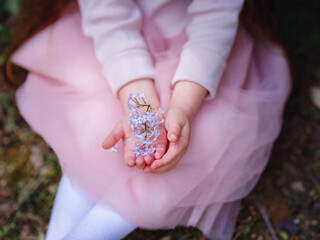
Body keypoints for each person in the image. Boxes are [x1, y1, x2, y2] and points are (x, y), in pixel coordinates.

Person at [2, 0, 291, 239]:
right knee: (97, 130)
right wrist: (140, 107)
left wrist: (183, 108)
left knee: (197, 144)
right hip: (117, 48)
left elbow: (214, 22)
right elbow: (109, 19)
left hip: (200, 60)